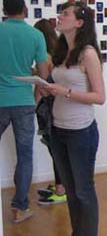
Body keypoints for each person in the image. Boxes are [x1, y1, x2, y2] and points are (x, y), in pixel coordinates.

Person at [44, 1, 105, 236]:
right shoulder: (60, 52)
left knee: (83, 191)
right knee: (70, 191)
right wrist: (48, 88)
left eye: (65, 14)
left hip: (81, 132)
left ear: (79, 22)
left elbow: (99, 97)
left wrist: (65, 92)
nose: (60, 17)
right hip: (59, 130)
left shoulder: (88, 54)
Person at [0, 0, 49, 223]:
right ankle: (20, 207)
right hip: (23, 101)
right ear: (24, 8)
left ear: (4, 10)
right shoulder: (36, 35)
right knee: (25, 155)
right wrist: (36, 97)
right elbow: (43, 74)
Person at [33, 19, 67, 204]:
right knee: (55, 147)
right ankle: (60, 184)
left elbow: (43, 83)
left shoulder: (45, 56)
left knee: (54, 147)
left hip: (48, 106)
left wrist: (34, 104)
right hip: (57, 105)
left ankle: (61, 188)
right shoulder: (57, 54)